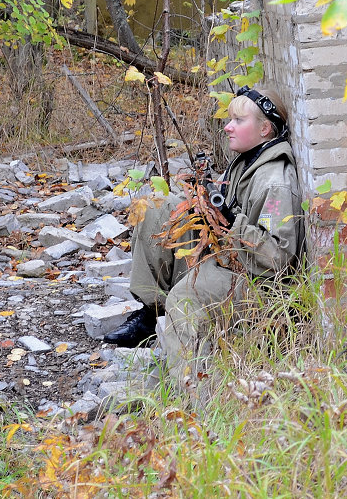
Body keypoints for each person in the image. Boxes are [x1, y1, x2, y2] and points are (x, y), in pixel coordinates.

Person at [102, 86, 305, 384]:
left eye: (238, 120)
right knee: (156, 208)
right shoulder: (251, 158)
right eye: (230, 119)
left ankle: (194, 395)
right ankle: (150, 311)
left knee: (186, 298)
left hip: (255, 282)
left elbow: (278, 260)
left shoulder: (275, 182)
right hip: (231, 253)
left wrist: (231, 221)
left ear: (264, 129)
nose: (228, 126)